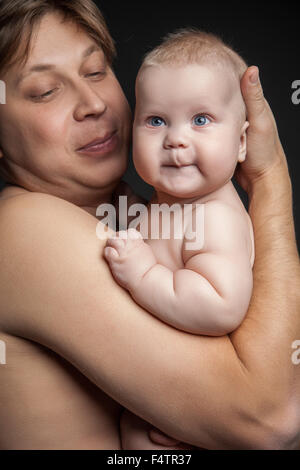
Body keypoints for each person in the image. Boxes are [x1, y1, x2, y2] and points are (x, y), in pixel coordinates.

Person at [0, 0, 299, 450]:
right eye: (45, 90)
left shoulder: (139, 214)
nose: (93, 103)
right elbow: (269, 418)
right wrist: (269, 174)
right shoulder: (24, 228)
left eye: (96, 71)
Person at [104, 29, 254, 339]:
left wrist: (144, 275)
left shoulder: (216, 219)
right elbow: (166, 241)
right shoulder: (173, 203)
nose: (175, 140)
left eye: (201, 119)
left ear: (241, 142)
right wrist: (133, 209)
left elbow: (220, 305)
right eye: (156, 120)